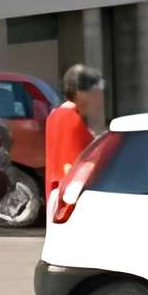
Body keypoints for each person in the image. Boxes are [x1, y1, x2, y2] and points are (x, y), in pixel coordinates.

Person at [43, 64, 104, 204]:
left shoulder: (54, 116)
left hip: (55, 196)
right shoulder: (72, 120)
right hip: (70, 199)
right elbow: (76, 166)